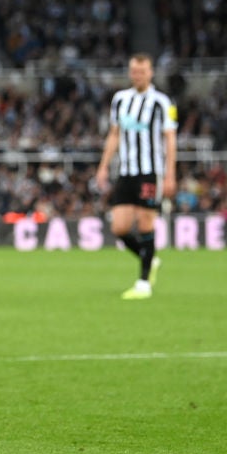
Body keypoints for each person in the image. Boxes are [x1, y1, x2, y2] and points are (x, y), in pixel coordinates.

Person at [95, 53, 177, 300]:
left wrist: (171, 173)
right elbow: (114, 134)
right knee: (119, 227)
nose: (137, 75)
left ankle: (143, 283)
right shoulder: (120, 100)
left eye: (142, 71)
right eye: (134, 71)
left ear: (150, 73)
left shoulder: (163, 102)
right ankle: (149, 258)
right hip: (126, 171)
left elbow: (170, 139)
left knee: (145, 223)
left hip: (150, 172)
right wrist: (103, 166)